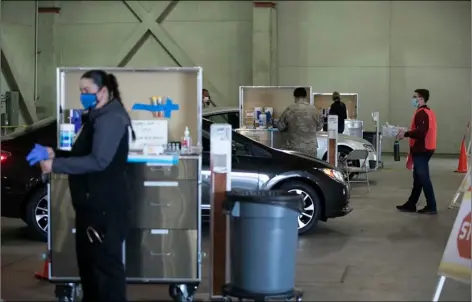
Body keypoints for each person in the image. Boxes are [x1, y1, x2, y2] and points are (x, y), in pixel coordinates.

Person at [26, 70, 135, 301]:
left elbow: (99, 160)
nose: (83, 95)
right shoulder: (97, 116)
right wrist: (53, 152)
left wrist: (54, 165)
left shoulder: (111, 119)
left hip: (105, 208)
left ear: (103, 91)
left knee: (104, 270)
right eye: (81, 91)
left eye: (87, 91)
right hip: (92, 206)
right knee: (91, 269)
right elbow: (84, 153)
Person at [396, 89, 438, 214]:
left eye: (415, 97)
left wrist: (406, 133)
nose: (413, 99)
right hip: (425, 148)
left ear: (421, 98)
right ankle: (411, 204)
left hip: (422, 149)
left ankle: (432, 206)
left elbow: (421, 132)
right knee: (418, 179)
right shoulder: (427, 112)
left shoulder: (422, 113)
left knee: (423, 178)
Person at [277, 87, 323, 157]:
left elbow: (280, 126)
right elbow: (319, 127)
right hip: (311, 148)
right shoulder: (314, 110)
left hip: (294, 148)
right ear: (305, 96)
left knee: (296, 167)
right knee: (310, 167)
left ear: (295, 96)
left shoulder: (290, 110)